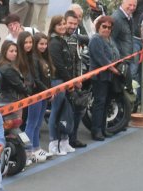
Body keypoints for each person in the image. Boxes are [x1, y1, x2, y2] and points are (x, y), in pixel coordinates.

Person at [88, 16, 121, 141]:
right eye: (104, 26)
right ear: (98, 26)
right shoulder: (96, 39)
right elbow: (101, 59)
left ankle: (103, 128)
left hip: (110, 77)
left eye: (109, 27)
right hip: (99, 77)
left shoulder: (110, 39)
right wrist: (115, 69)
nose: (107, 29)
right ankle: (96, 131)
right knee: (99, 104)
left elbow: (116, 55)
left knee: (106, 103)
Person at [47, 15, 77, 154]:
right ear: (53, 26)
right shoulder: (53, 42)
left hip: (65, 81)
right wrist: (70, 81)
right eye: (59, 24)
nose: (63, 26)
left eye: (64, 24)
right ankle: (53, 143)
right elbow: (59, 65)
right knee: (56, 111)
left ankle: (64, 142)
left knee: (66, 112)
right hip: (58, 81)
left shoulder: (62, 40)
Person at [26, 32, 53, 160]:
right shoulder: (34, 59)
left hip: (44, 94)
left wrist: (48, 92)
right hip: (36, 95)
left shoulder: (44, 58)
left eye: (45, 44)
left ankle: (36, 148)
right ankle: (27, 151)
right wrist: (48, 91)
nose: (43, 46)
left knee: (37, 123)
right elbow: (36, 79)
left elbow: (47, 77)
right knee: (31, 123)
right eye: (41, 44)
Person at [64, 11, 88, 148]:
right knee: (64, 113)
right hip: (63, 82)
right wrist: (69, 81)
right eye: (70, 23)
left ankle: (73, 138)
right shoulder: (59, 38)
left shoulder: (76, 38)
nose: (72, 26)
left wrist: (79, 79)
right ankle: (61, 141)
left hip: (74, 80)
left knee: (78, 109)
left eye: (75, 23)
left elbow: (78, 60)